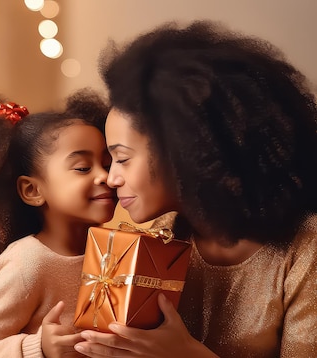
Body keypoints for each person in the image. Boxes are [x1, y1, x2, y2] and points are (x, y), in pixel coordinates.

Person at [73, 20, 317, 358]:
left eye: (123, 159)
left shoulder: (304, 249)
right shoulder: (162, 239)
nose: (111, 179)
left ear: (185, 152)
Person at [0, 88, 116, 357]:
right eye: (83, 167)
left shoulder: (114, 251)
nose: (105, 177)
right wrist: (38, 347)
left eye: (108, 164)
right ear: (32, 191)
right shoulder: (28, 264)